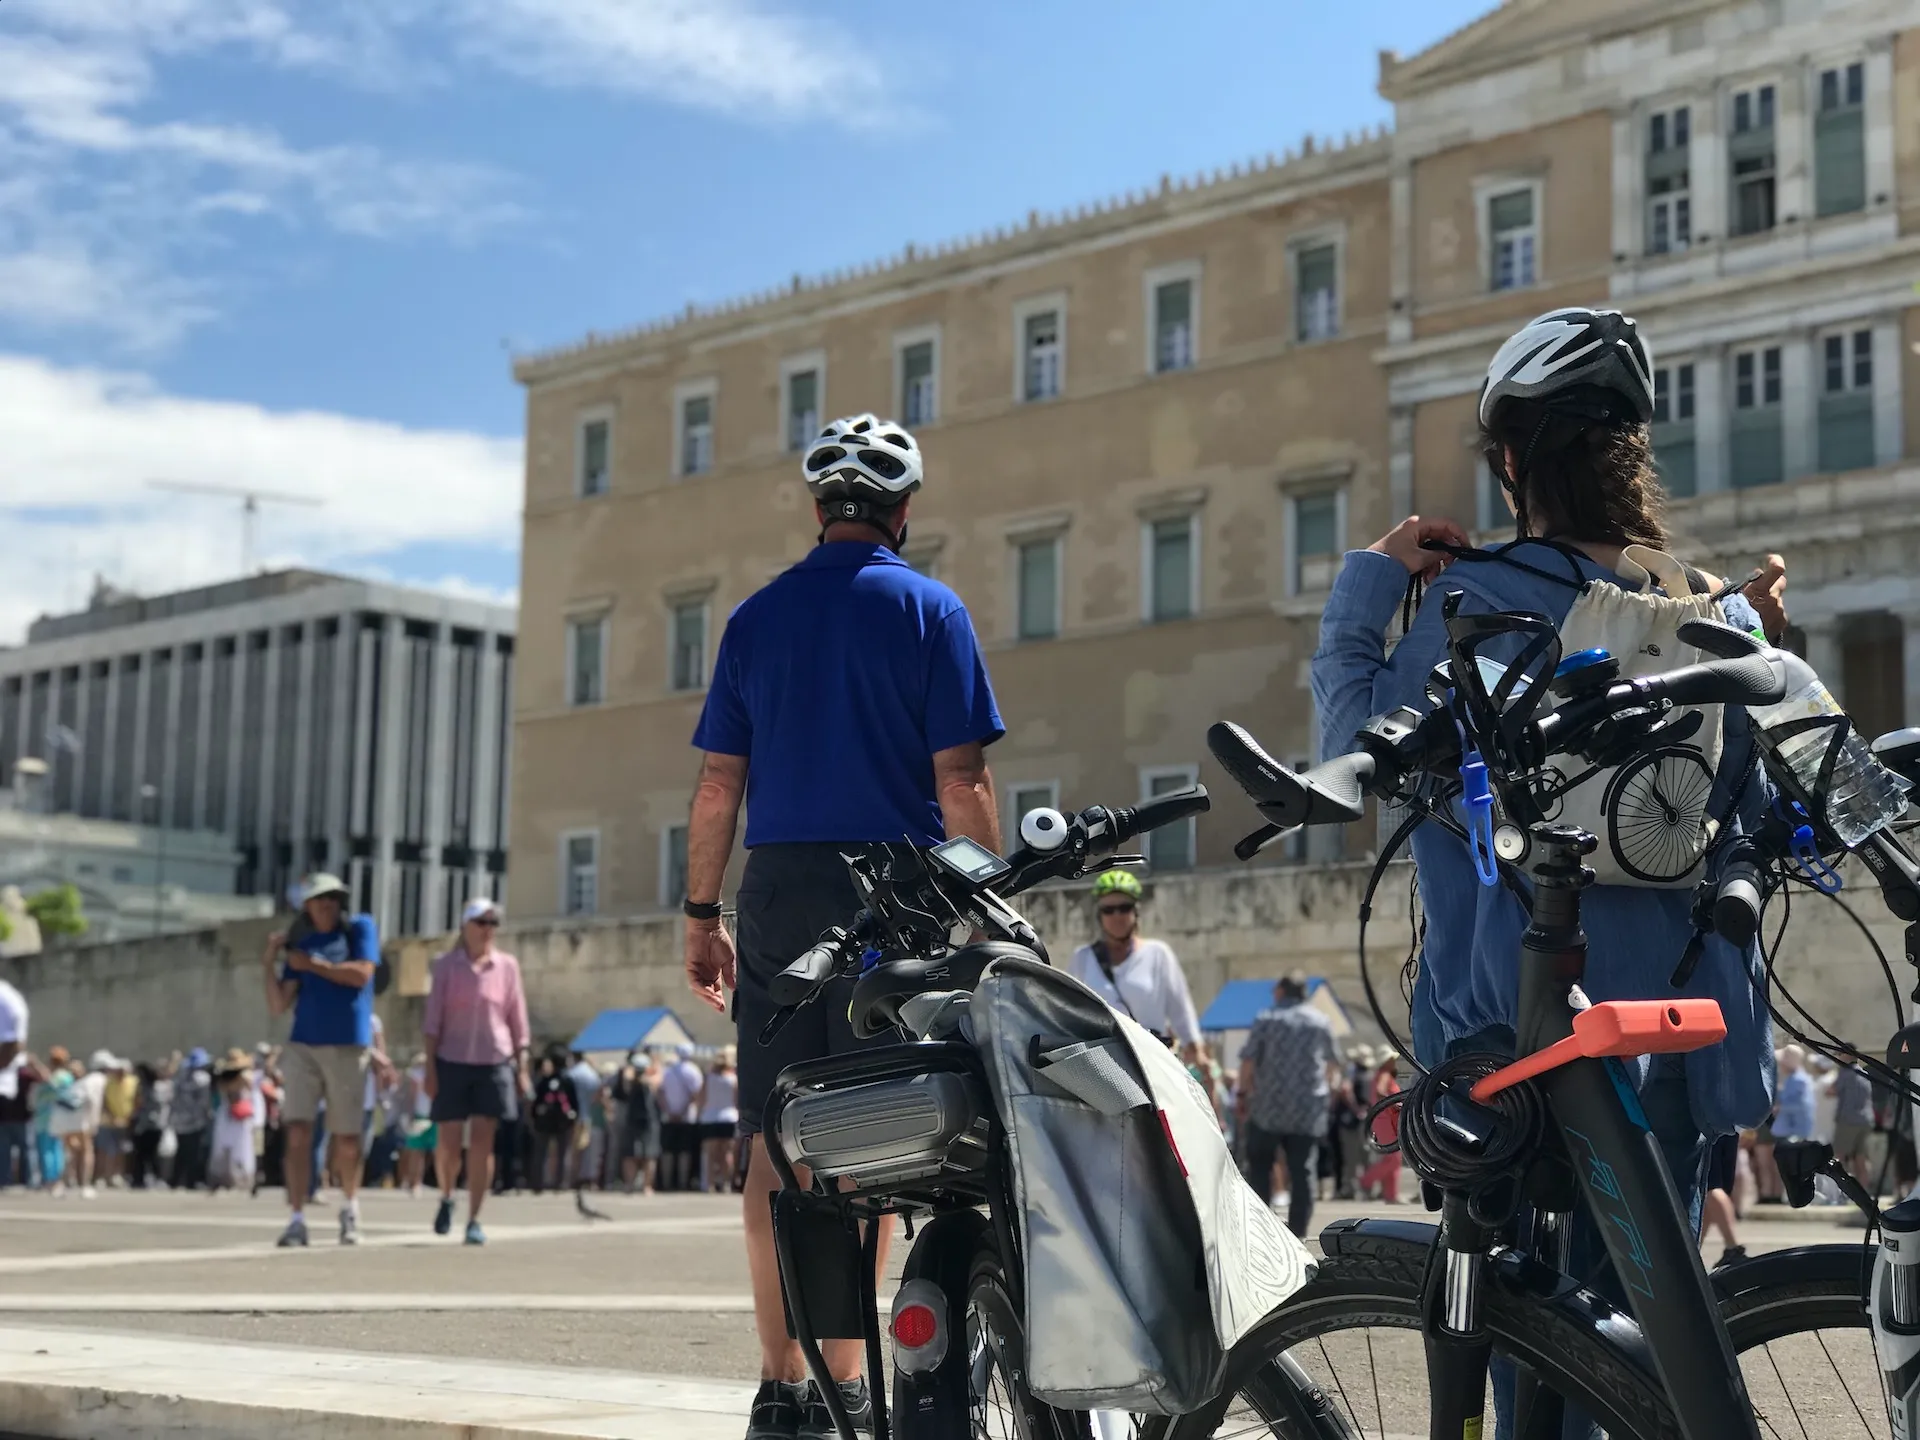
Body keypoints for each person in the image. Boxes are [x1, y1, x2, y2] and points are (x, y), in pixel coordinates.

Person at [1313, 306, 1780, 1225]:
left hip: (1515, 1032)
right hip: (1680, 1026)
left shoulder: (1482, 597)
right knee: (1655, 1305)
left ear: (1511, 463)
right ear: (1633, 454)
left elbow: (1352, 759)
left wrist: (1370, 577)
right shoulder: (1719, 615)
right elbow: (1747, 814)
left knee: (1524, 1302)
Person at [683, 412, 1003, 1439]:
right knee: (867, 1134)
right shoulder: (932, 610)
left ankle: (780, 1387)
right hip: (894, 891)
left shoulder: (755, 618)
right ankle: (847, 1380)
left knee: (772, 1138)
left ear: (819, 508)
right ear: (903, 512)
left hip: (778, 889)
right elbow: (962, 780)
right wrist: (990, 910)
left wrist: (701, 914)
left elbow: (717, 787)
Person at [262, 872, 384, 1246]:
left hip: (347, 1045)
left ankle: (350, 1206)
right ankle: (296, 1218)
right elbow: (279, 1004)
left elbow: (362, 974)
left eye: (333, 898)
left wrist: (313, 965)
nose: (328, 904)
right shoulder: (301, 942)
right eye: (320, 899)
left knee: (347, 1137)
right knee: (298, 1131)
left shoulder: (358, 929)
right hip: (303, 1045)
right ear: (308, 906)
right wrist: (269, 963)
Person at [423, 897, 529, 1245]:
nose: (487, 930)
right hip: (451, 1059)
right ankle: (447, 1195)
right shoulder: (446, 966)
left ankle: (474, 1218)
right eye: (481, 923)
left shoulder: (507, 966)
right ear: (465, 927)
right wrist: (430, 1068)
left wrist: (522, 1067)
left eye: (492, 924)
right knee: (449, 1141)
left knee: (483, 1141)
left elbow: (517, 1018)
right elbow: (432, 1021)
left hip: (494, 1060)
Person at [1235, 975, 1341, 1238]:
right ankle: (1298, 1232)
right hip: (1307, 1109)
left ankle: (1261, 1230)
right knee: (1303, 1169)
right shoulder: (1320, 1021)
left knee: (1260, 1166)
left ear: (1281, 991)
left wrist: (1242, 1092)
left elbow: (1248, 1061)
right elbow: (1333, 1064)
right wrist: (1327, 1092)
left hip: (1267, 1107)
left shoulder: (1267, 1019)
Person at [1069, 871, 1202, 1048]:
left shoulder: (1157, 954)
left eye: (1124, 908)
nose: (1117, 916)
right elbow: (1071, 1014)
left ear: (1136, 911)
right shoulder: (1083, 958)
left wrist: (1195, 1048)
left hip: (1151, 1055)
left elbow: (1181, 1012)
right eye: (1108, 910)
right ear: (1099, 915)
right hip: (1104, 1056)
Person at [528, 1050, 579, 1192]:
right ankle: (560, 1183)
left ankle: (538, 1183)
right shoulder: (567, 1081)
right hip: (563, 1122)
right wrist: (574, 1118)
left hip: (545, 1122)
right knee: (562, 1154)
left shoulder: (544, 1081)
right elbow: (575, 1103)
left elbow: (536, 1102)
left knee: (541, 1153)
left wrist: (534, 1117)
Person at [1356, 1052, 1404, 1203]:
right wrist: (1395, 1104)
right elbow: (1380, 1091)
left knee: (1392, 1158)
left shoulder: (1382, 1074)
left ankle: (1391, 1194)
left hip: (1383, 1119)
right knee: (1393, 1159)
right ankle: (1365, 1180)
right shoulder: (1384, 1074)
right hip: (1385, 1120)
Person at [209, 1049, 258, 1191]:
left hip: (240, 1115)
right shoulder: (225, 1079)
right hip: (229, 1114)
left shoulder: (245, 1077)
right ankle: (227, 1178)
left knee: (242, 1147)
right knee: (226, 1147)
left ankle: (242, 1178)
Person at [658, 1044, 703, 1192]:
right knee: (685, 1151)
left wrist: (669, 1111)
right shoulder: (694, 1071)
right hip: (687, 1117)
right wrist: (682, 1111)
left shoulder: (668, 1071)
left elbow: (661, 1093)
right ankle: (682, 1182)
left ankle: (666, 1182)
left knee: (668, 1150)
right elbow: (696, 1094)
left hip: (668, 1117)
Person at [615, 1052, 662, 1195]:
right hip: (633, 1120)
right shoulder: (627, 1080)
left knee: (649, 1154)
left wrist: (652, 1065)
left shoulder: (651, 1079)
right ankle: (629, 1184)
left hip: (649, 1120)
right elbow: (623, 1089)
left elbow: (656, 1082)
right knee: (630, 1154)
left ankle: (646, 1186)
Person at [169, 1048, 215, 1189]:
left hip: (179, 1121)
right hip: (196, 1121)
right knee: (195, 1152)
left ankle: (176, 1180)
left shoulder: (179, 1077)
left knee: (181, 1151)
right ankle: (192, 1181)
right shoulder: (202, 1079)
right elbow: (204, 1102)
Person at [698, 1046, 741, 1193]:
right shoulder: (733, 1078)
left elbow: (701, 1097)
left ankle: (709, 1184)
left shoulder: (708, 1078)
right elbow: (736, 1099)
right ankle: (726, 1183)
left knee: (710, 1154)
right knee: (727, 1154)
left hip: (710, 1117)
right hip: (729, 1117)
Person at [1833, 1060, 1876, 1192]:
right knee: (1861, 1158)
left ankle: (1840, 1192)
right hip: (1866, 1120)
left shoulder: (1845, 1073)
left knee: (1839, 1158)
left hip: (1848, 1120)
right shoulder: (1864, 1073)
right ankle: (1864, 1192)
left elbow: (1832, 1091)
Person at [98, 1055, 136, 1187]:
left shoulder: (133, 1082)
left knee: (121, 1151)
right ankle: (104, 1176)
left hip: (126, 1123)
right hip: (109, 1122)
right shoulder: (108, 1082)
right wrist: (113, 1117)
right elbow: (104, 1101)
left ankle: (117, 1175)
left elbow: (136, 1101)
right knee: (106, 1150)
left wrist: (128, 1117)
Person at [128, 1062, 166, 1189]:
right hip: (155, 1125)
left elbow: (139, 1105)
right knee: (150, 1154)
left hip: (145, 1126)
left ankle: (141, 1179)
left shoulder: (145, 1088)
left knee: (142, 1155)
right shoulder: (159, 1087)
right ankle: (152, 1178)